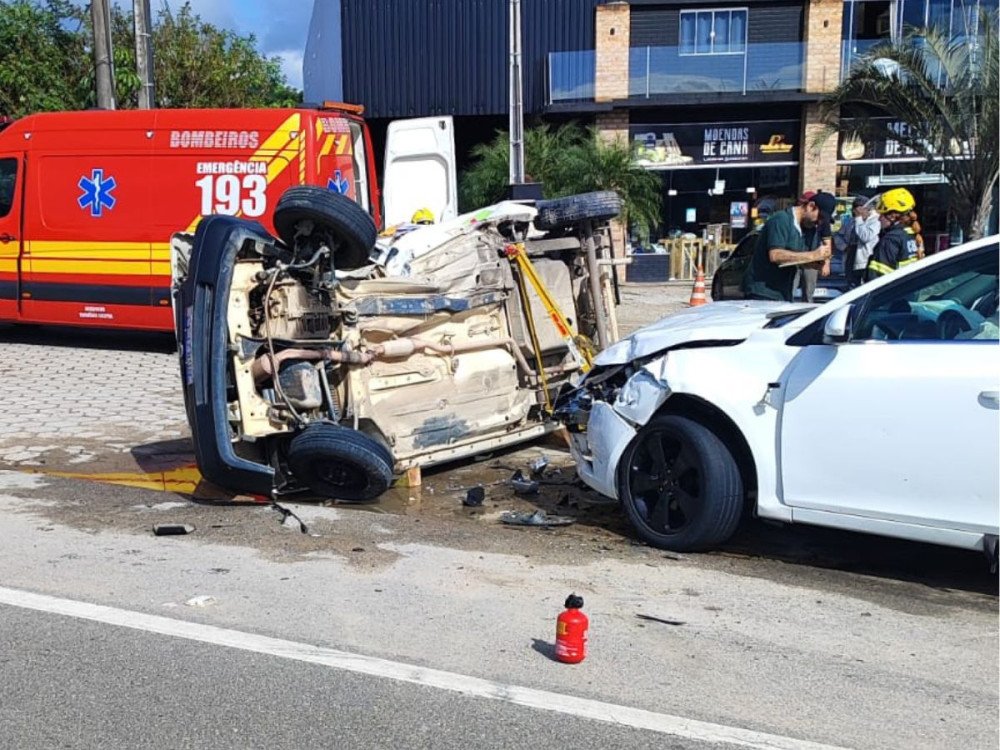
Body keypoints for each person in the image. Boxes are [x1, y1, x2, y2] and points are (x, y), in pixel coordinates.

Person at [741, 191, 835, 302]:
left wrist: (816, 263)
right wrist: (813, 255)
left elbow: (797, 258)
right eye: (820, 217)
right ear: (810, 206)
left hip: (784, 292)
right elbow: (775, 255)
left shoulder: (809, 230)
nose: (819, 223)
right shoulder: (781, 220)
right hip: (762, 291)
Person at [866, 188, 919, 280]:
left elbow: (877, 277)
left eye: (882, 215)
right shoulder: (909, 234)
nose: (879, 219)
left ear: (892, 216)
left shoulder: (890, 239)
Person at [848, 196, 880, 288]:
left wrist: (859, 219)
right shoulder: (852, 221)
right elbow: (839, 234)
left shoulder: (875, 221)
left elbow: (865, 237)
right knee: (850, 285)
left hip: (864, 260)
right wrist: (843, 245)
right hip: (851, 256)